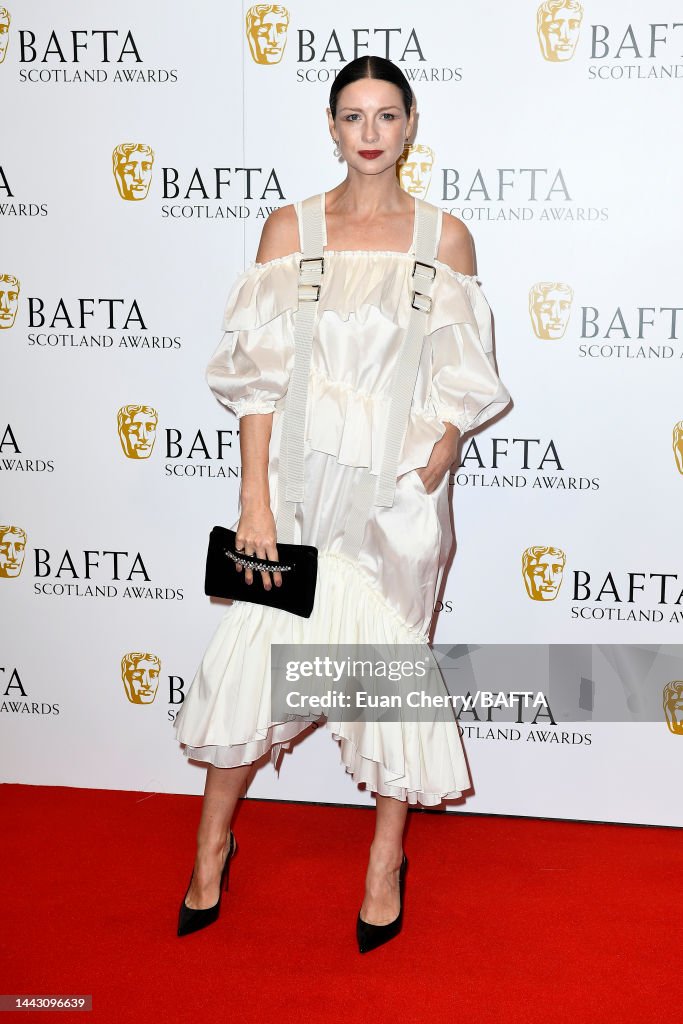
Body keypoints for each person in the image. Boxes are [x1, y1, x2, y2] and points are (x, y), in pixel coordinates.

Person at [173, 54, 511, 951]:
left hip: (399, 497)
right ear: (330, 126)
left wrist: (443, 445)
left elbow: (464, 373)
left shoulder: (446, 239)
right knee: (255, 653)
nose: (369, 132)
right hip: (296, 489)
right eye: (352, 115)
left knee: (395, 672)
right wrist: (253, 499)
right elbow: (255, 381)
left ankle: (383, 862)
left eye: (386, 115)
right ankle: (212, 846)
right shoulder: (290, 229)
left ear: (409, 127)